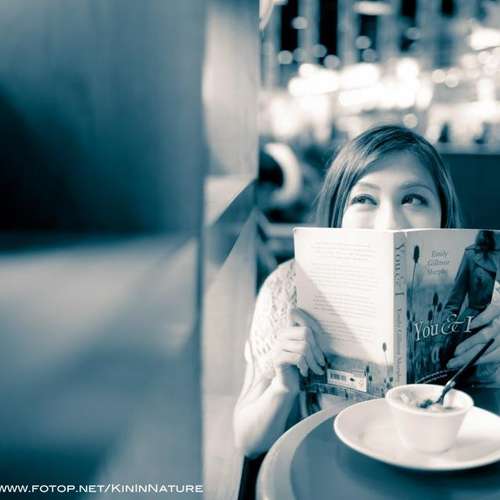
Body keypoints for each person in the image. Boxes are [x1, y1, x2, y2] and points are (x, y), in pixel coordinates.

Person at [233, 125, 500, 459]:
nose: (389, 223)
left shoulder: (488, 295)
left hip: (443, 464)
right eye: (364, 199)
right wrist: (281, 386)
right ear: (337, 212)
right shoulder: (285, 289)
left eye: (413, 198)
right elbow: (249, 442)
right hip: (336, 464)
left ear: (443, 212)